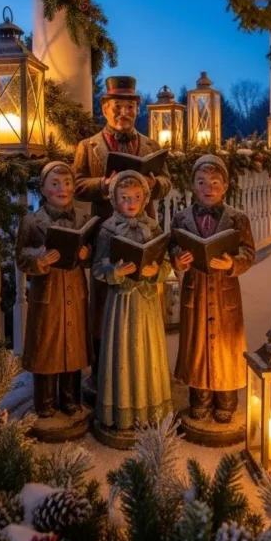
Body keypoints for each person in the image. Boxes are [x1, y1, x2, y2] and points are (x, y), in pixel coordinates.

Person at [74, 76, 171, 366]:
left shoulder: (151, 144)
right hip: (107, 231)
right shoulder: (87, 146)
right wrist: (104, 184)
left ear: (137, 110)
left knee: (144, 288)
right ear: (105, 109)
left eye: (130, 107)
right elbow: (78, 184)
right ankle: (104, 368)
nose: (124, 113)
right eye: (118, 106)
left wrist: (155, 185)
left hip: (144, 231)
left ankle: (143, 363)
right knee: (105, 297)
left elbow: (167, 181)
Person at [170, 154, 255, 425]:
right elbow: (173, 245)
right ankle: (200, 398)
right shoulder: (181, 218)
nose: (209, 188)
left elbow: (249, 252)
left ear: (226, 186)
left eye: (215, 182)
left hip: (225, 292)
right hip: (195, 290)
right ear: (193, 186)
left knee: (226, 345)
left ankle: (226, 399)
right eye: (202, 182)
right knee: (197, 345)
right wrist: (177, 260)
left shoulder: (237, 219)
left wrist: (232, 263)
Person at [92, 170, 172, 434]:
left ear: (145, 197)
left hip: (147, 302)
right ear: (115, 199)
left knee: (148, 352)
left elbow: (165, 262)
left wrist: (155, 272)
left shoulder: (152, 226)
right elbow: (98, 268)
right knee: (123, 352)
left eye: (137, 197)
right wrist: (115, 271)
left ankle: (151, 407)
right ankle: (122, 409)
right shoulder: (107, 229)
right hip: (121, 304)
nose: (131, 202)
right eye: (124, 197)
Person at [15, 161, 92, 418]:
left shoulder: (83, 217)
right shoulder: (31, 221)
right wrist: (41, 258)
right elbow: (21, 257)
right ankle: (45, 401)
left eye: (67, 183)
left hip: (75, 290)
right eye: (55, 184)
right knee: (47, 345)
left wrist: (86, 254)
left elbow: (92, 253)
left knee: (73, 344)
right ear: (44, 189)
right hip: (47, 292)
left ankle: (70, 397)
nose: (63, 189)